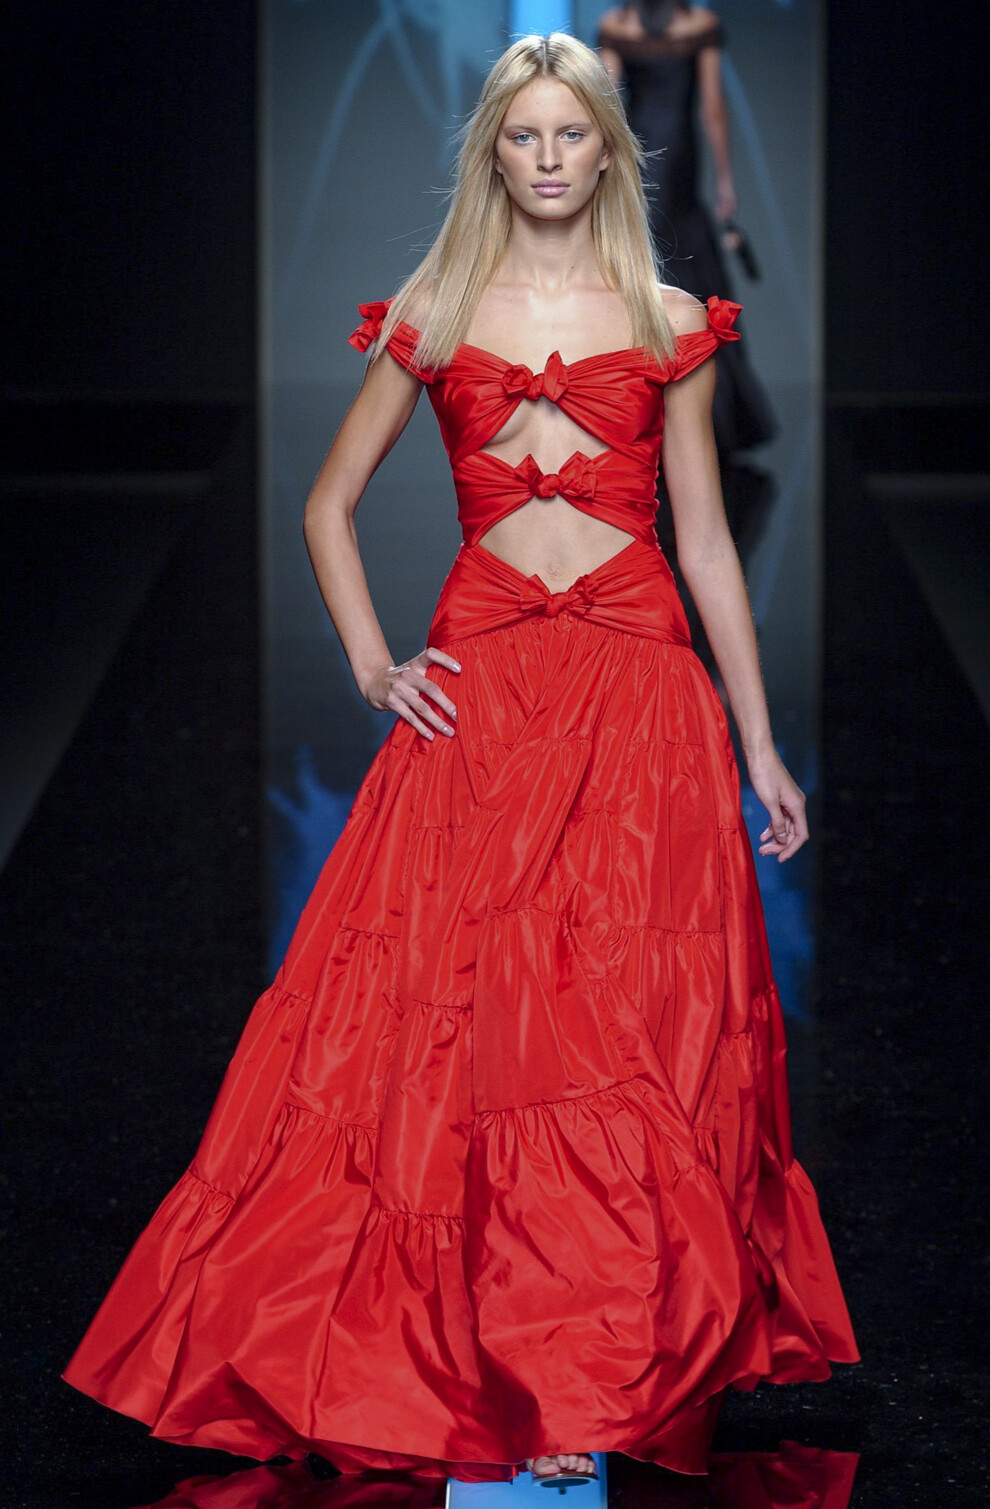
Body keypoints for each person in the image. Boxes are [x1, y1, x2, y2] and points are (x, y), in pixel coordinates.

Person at [61, 32, 858, 1487]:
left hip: (637, 701)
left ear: (607, 149)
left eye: (571, 134)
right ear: (492, 151)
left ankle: (581, 1378)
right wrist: (377, 667)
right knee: (464, 1038)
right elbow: (327, 504)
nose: (548, 158)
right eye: (523, 136)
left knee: (616, 1041)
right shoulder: (433, 310)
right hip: (480, 697)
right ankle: (500, 1362)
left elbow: (704, 545)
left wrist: (759, 745)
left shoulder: (668, 315)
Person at [598, 2, 777, 453]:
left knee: (647, 266)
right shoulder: (699, 24)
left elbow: (607, 102)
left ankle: (642, 411)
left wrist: (602, 173)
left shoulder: (616, 24)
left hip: (641, 156)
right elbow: (712, 107)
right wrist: (725, 179)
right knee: (687, 269)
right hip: (678, 156)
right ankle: (707, 420)